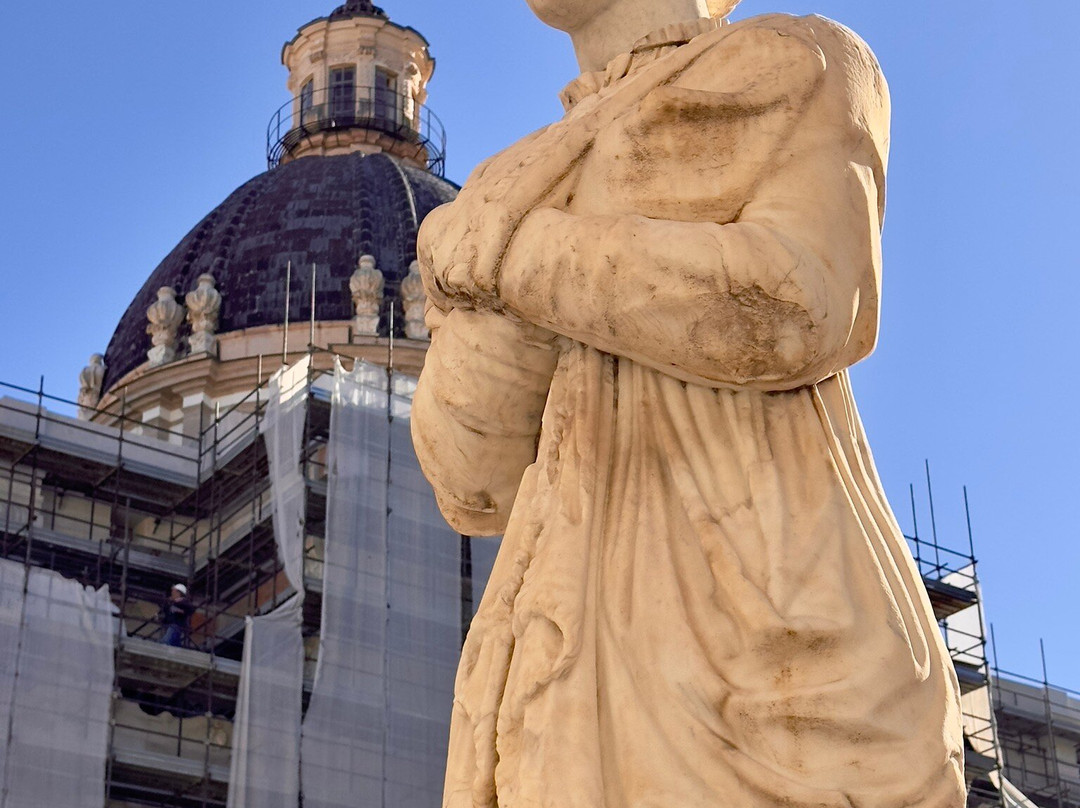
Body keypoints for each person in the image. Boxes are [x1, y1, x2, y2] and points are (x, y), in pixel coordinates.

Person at [411, 0, 966, 805]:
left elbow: (799, 309)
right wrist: (492, 314)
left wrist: (513, 256)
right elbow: (474, 482)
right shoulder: (508, 181)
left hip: (770, 640)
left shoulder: (798, 59)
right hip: (563, 665)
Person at [160, 583, 194, 648]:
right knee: (175, 644)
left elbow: (190, 610)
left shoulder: (183, 603)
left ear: (178, 592)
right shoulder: (171, 603)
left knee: (165, 642)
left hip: (176, 625)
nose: (172, 593)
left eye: (173, 591)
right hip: (170, 625)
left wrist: (178, 606)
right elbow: (166, 611)